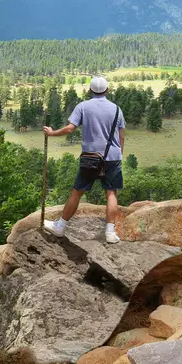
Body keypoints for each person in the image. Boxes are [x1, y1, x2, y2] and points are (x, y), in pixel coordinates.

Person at [42, 75, 125, 243]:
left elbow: (70, 129)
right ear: (107, 90)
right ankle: (110, 233)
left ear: (90, 90)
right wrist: (119, 155)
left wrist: (52, 133)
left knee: (77, 191)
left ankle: (60, 226)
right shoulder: (116, 109)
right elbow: (122, 135)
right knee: (111, 194)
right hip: (113, 158)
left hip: (90, 157)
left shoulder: (83, 106)